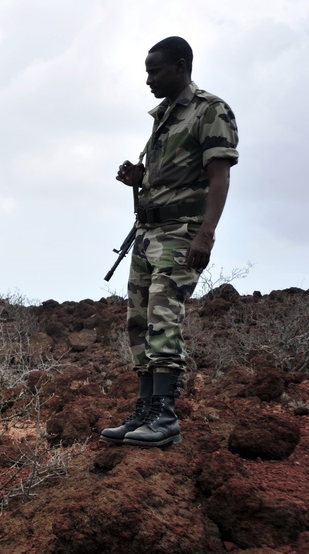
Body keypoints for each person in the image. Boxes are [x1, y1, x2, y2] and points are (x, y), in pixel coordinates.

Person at [102, 36, 238, 448]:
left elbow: (219, 176)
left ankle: (164, 416)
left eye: (155, 70)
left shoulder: (210, 110)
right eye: (146, 71)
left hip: (182, 233)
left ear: (180, 66)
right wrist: (138, 179)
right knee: (139, 321)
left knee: (164, 316)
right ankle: (144, 411)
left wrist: (206, 234)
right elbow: (170, 177)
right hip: (147, 234)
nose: (148, 79)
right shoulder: (163, 115)